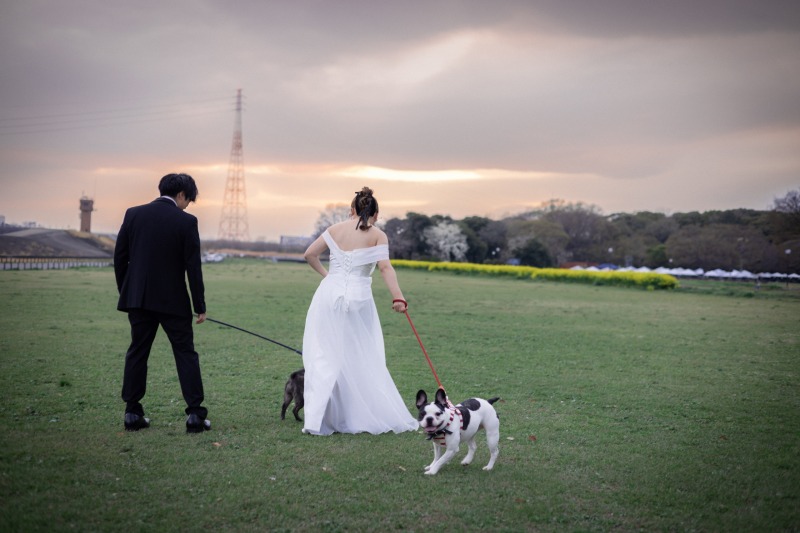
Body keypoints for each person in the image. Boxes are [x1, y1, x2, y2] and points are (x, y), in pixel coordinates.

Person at [301, 187, 418, 435]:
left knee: (325, 354)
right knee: (361, 353)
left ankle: (318, 419)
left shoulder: (335, 229)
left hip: (327, 296)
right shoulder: (378, 235)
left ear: (351, 209)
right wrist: (399, 297)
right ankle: (358, 413)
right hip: (358, 297)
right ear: (375, 213)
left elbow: (310, 254)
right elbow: (385, 268)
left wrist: (328, 276)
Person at [114, 173, 211, 433]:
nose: (187, 206)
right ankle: (195, 416)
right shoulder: (187, 221)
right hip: (174, 302)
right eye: (188, 200)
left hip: (139, 299)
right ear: (181, 195)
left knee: (138, 352)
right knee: (185, 354)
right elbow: (194, 268)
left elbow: (120, 257)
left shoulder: (133, 214)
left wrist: (128, 291)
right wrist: (199, 305)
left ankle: (132, 413)